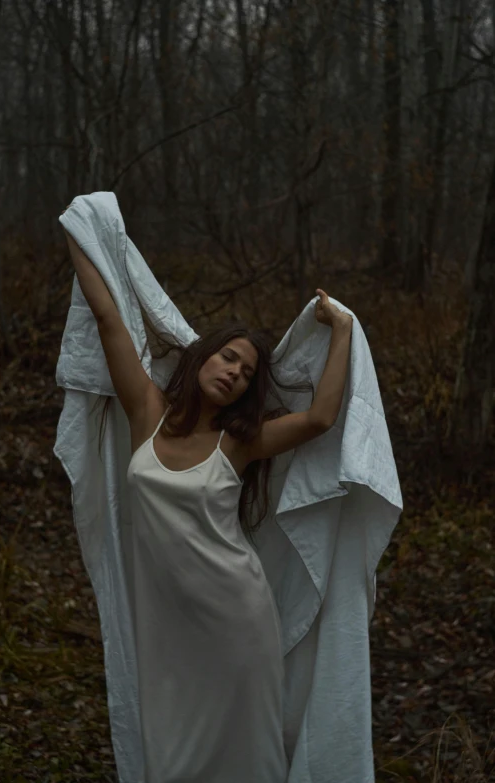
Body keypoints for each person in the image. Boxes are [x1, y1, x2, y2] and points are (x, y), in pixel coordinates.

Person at [61, 215, 353, 782]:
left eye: (246, 374)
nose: (235, 375)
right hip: (166, 626)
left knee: (247, 757)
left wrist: (340, 328)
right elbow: (108, 319)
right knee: (171, 754)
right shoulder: (147, 414)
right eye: (228, 359)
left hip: (236, 620)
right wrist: (79, 223)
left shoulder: (239, 444)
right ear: (202, 358)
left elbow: (320, 417)